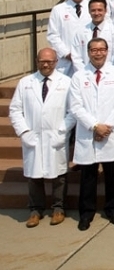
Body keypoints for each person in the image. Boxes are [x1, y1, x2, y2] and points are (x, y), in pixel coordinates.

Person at [9, 48, 75, 227]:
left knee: (59, 174)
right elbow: (15, 110)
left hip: (56, 135)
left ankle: (59, 208)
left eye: (50, 61)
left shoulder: (66, 82)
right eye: (42, 61)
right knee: (34, 175)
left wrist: (62, 131)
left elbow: (73, 111)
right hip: (33, 136)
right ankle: (35, 210)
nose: (46, 64)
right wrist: (24, 132)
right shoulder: (26, 83)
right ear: (37, 61)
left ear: (56, 62)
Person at [68, 38, 114, 231]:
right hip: (89, 133)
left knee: (112, 174)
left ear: (107, 51)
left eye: (102, 49)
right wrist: (95, 126)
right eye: (94, 50)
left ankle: (112, 208)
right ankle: (86, 213)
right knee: (88, 175)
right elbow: (75, 106)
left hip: (110, 132)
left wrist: (106, 126)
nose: (98, 53)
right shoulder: (79, 76)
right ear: (88, 52)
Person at [47, 0, 96, 75]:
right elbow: (52, 35)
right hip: (65, 62)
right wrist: (66, 54)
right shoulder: (58, 10)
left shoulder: (94, 8)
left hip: (88, 60)